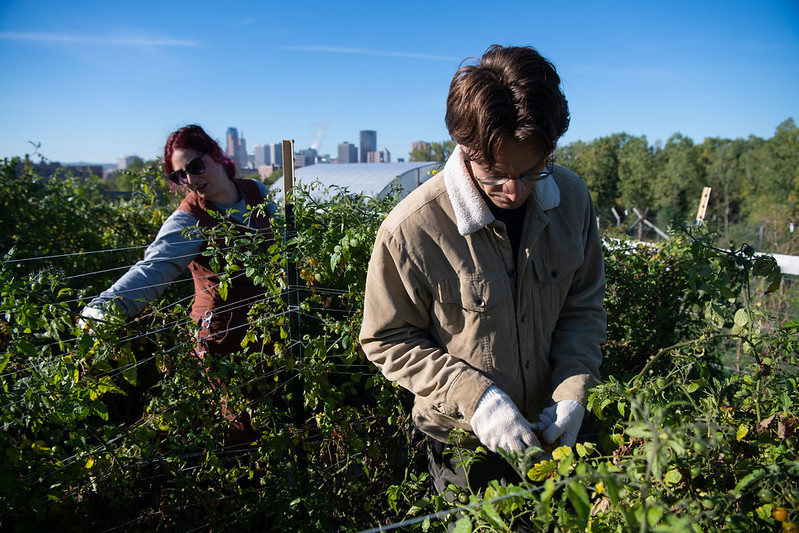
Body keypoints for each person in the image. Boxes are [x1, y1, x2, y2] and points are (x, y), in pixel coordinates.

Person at [359, 45, 606, 497]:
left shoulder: (572, 200)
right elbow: (386, 338)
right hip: (463, 443)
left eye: (533, 172)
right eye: (494, 175)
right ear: (464, 147)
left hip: (553, 429)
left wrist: (573, 389)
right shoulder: (411, 228)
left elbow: (582, 305)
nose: (513, 191)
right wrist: (477, 399)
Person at [80, 124, 277, 449]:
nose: (190, 179)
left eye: (195, 166)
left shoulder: (255, 191)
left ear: (216, 155)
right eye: (179, 175)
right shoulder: (188, 219)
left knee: (271, 412)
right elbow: (153, 269)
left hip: (267, 329)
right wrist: (101, 310)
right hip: (224, 340)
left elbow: (286, 242)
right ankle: (242, 493)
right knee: (243, 426)